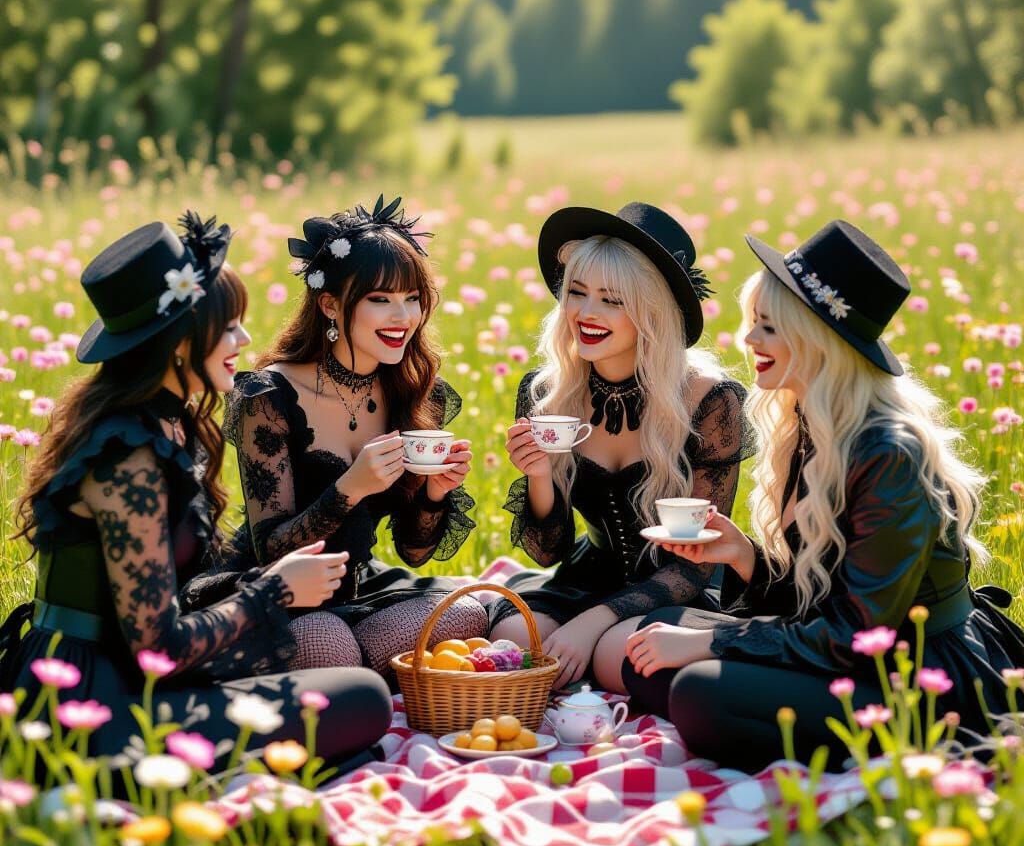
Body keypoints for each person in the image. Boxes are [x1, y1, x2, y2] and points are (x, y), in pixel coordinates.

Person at [623, 220, 1024, 771]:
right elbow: (820, 597)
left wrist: (713, 645)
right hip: (848, 650)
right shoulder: (810, 427)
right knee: (649, 639)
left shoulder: (888, 453)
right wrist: (744, 558)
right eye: (752, 324)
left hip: (916, 673)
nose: (749, 341)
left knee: (697, 690)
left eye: (767, 327)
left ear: (816, 338)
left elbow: (860, 633)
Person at [0, 215, 392, 770]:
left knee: (349, 683)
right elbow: (158, 648)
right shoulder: (127, 457)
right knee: (361, 700)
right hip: (89, 700)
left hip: (133, 667)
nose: (244, 340)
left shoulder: (170, 422)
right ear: (181, 339)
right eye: (229, 326)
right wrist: (271, 593)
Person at [493, 202, 752, 691]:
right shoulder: (547, 392)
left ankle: (601, 658)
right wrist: (539, 475)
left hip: (673, 589)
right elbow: (547, 553)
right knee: (513, 640)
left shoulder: (709, 400)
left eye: (612, 300)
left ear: (650, 311)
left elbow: (695, 567)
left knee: (618, 654)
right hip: (586, 579)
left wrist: (592, 625)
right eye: (577, 292)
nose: (586, 314)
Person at [223, 196, 486, 677]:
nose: (402, 317)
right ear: (330, 304)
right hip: (277, 595)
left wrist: (433, 493)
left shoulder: (410, 389)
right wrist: (350, 488)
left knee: (470, 609)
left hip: (360, 593)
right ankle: (359, 670)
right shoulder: (269, 397)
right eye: (380, 300)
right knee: (329, 646)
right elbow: (271, 550)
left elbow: (415, 552)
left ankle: (355, 672)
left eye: (412, 299)